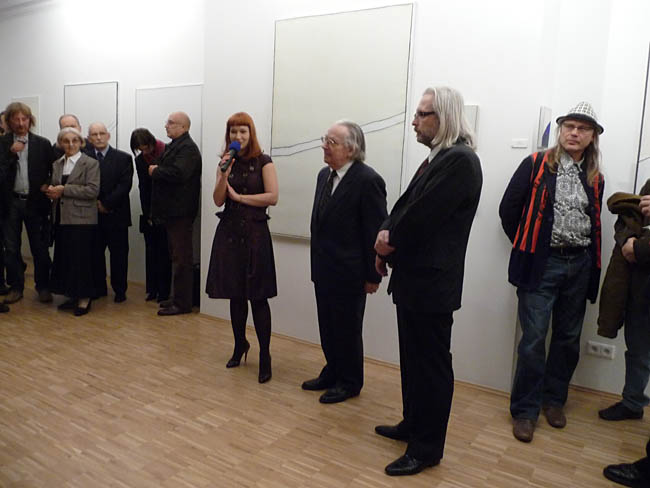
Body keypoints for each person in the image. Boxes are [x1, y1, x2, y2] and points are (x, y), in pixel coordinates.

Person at [373, 87, 482, 476]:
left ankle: (426, 448)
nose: (414, 122)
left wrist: (388, 243)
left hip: (432, 284)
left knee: (431, 366)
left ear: (445, 117)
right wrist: (386, 236)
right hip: (416, 279)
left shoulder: (460, 160)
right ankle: (413, 424)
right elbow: (404, 206)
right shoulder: (438, 158)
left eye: (422, 114)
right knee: (413, 359)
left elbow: (421, 218)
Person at [499, 102, 604, 443]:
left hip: (580, 264)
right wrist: (529, 244)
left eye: (582, 129)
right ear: (560, 131)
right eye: (569, 126)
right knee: (533, 339)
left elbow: (594, 222)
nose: (574, 133)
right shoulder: (535, 164)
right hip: (543, 264)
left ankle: (554, 400)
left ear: (592, 137)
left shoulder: (596, 178)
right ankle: (525, 411)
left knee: (568, 338)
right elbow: (508, 209)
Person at [301, 120, 387, 403]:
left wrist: (373, 275)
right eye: (324, 139)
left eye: (332, 142)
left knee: (347, 330)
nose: (324, 146)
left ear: (351, 149)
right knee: (327, 326)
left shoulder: (368, 180)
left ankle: (350, 381)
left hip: (350, 273)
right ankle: (333, 371)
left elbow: (374, 231)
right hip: (323, 268)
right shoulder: (323, 175)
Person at [206, 112, 278, 383]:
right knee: (235, 295)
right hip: (230, 233)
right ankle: (240, 345)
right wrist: (223, 176)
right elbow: (217, 200)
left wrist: (240, 197)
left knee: (258, 297)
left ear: (251, 134)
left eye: (243, 131)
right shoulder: (225, 162)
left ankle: (265, 355)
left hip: (255, 234)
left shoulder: (264, 161)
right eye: (233, 132)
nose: (238, 136)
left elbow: (273, 197)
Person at [597, 179, 650, 422]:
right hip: (643, 286)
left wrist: (638, 248)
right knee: (638, 349)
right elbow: (632, 220)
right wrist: (629, 240)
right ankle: (632, 403)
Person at [0, 102, 54, 305]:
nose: (21, 123)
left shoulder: (42, 143)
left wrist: (48, 183)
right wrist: (10, 154)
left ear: (30, 120)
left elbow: (53, 171)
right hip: (10, 203)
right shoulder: (3, 144)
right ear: (9, 121)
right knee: (11, 248)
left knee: (39, 248)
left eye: (25, 119)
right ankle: (16, 287)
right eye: (16, 119)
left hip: (35, 202)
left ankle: (43, 287)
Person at [150, 112, 201, 316]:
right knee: (175, 256)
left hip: (181, 212)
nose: (166, 126)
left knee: (182, 258)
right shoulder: (175, 146)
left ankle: (182, 303)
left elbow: (179, 173)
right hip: (172, 211)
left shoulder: (188, 148)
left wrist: (156, 171)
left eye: (171, 123)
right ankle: (177, 297)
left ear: (183, 127)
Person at [47, 128, 100, 316]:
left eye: (75, 141)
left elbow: (92, 191)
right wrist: (51, 191)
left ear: (81, 142)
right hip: (61, 217)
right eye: (66, 141)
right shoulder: (57, 163)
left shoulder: (90, 163)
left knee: (81, 260)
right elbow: (56, 187)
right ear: (60, 143)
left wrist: (64, 189)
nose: (70, 145)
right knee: (67, 259)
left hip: (82, 219)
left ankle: (85, 298)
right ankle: (72, 295)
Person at [88, 122, 133, 303]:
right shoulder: (84, 158)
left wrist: (106, 204)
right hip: (92, 215)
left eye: (102, 133)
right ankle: (99, 287)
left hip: (117, 215)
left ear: (108, 136)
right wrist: (95, 204)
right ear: (89, 138)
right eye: (94, 134)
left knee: (119, 256)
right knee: (95, 254)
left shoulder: (123, 158)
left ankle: (120, 290)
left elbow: (124, 185)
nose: (98, 137)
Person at [130, 128, 171, 303]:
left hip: (167, 209)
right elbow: (143, 187)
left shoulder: (167, 151)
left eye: (146, 147)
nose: (144, 152)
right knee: (151, 251)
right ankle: (152, 289)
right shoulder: (140, 160)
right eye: (140, 149)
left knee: (164, 253)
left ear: (151, 142)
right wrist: (147, 212)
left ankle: (164, 291)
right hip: (150, 210)